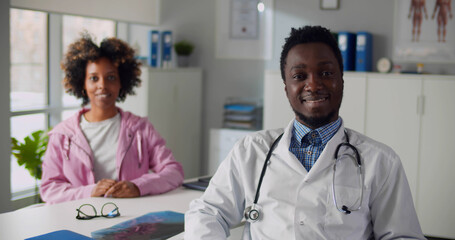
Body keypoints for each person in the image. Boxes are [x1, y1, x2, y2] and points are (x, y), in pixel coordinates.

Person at [185, 26, 425, 239]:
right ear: (286, 88)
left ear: (342, 80)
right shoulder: (251, 150)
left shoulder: (381, 161)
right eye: (299, 76)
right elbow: (208, 212)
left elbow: (402, 235)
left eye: (326, 73)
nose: (313, 85)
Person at [40, 35, 184, 204]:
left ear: (121, 82)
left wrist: (138, 187)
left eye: (111, 77)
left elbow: (174, 172)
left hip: (131, 220)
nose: (103, 85)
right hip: (79, 219)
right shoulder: (63, 135)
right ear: (83, 84)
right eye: (94, 78)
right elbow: (49, 189)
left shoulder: (141, 129)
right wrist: (90, 191)